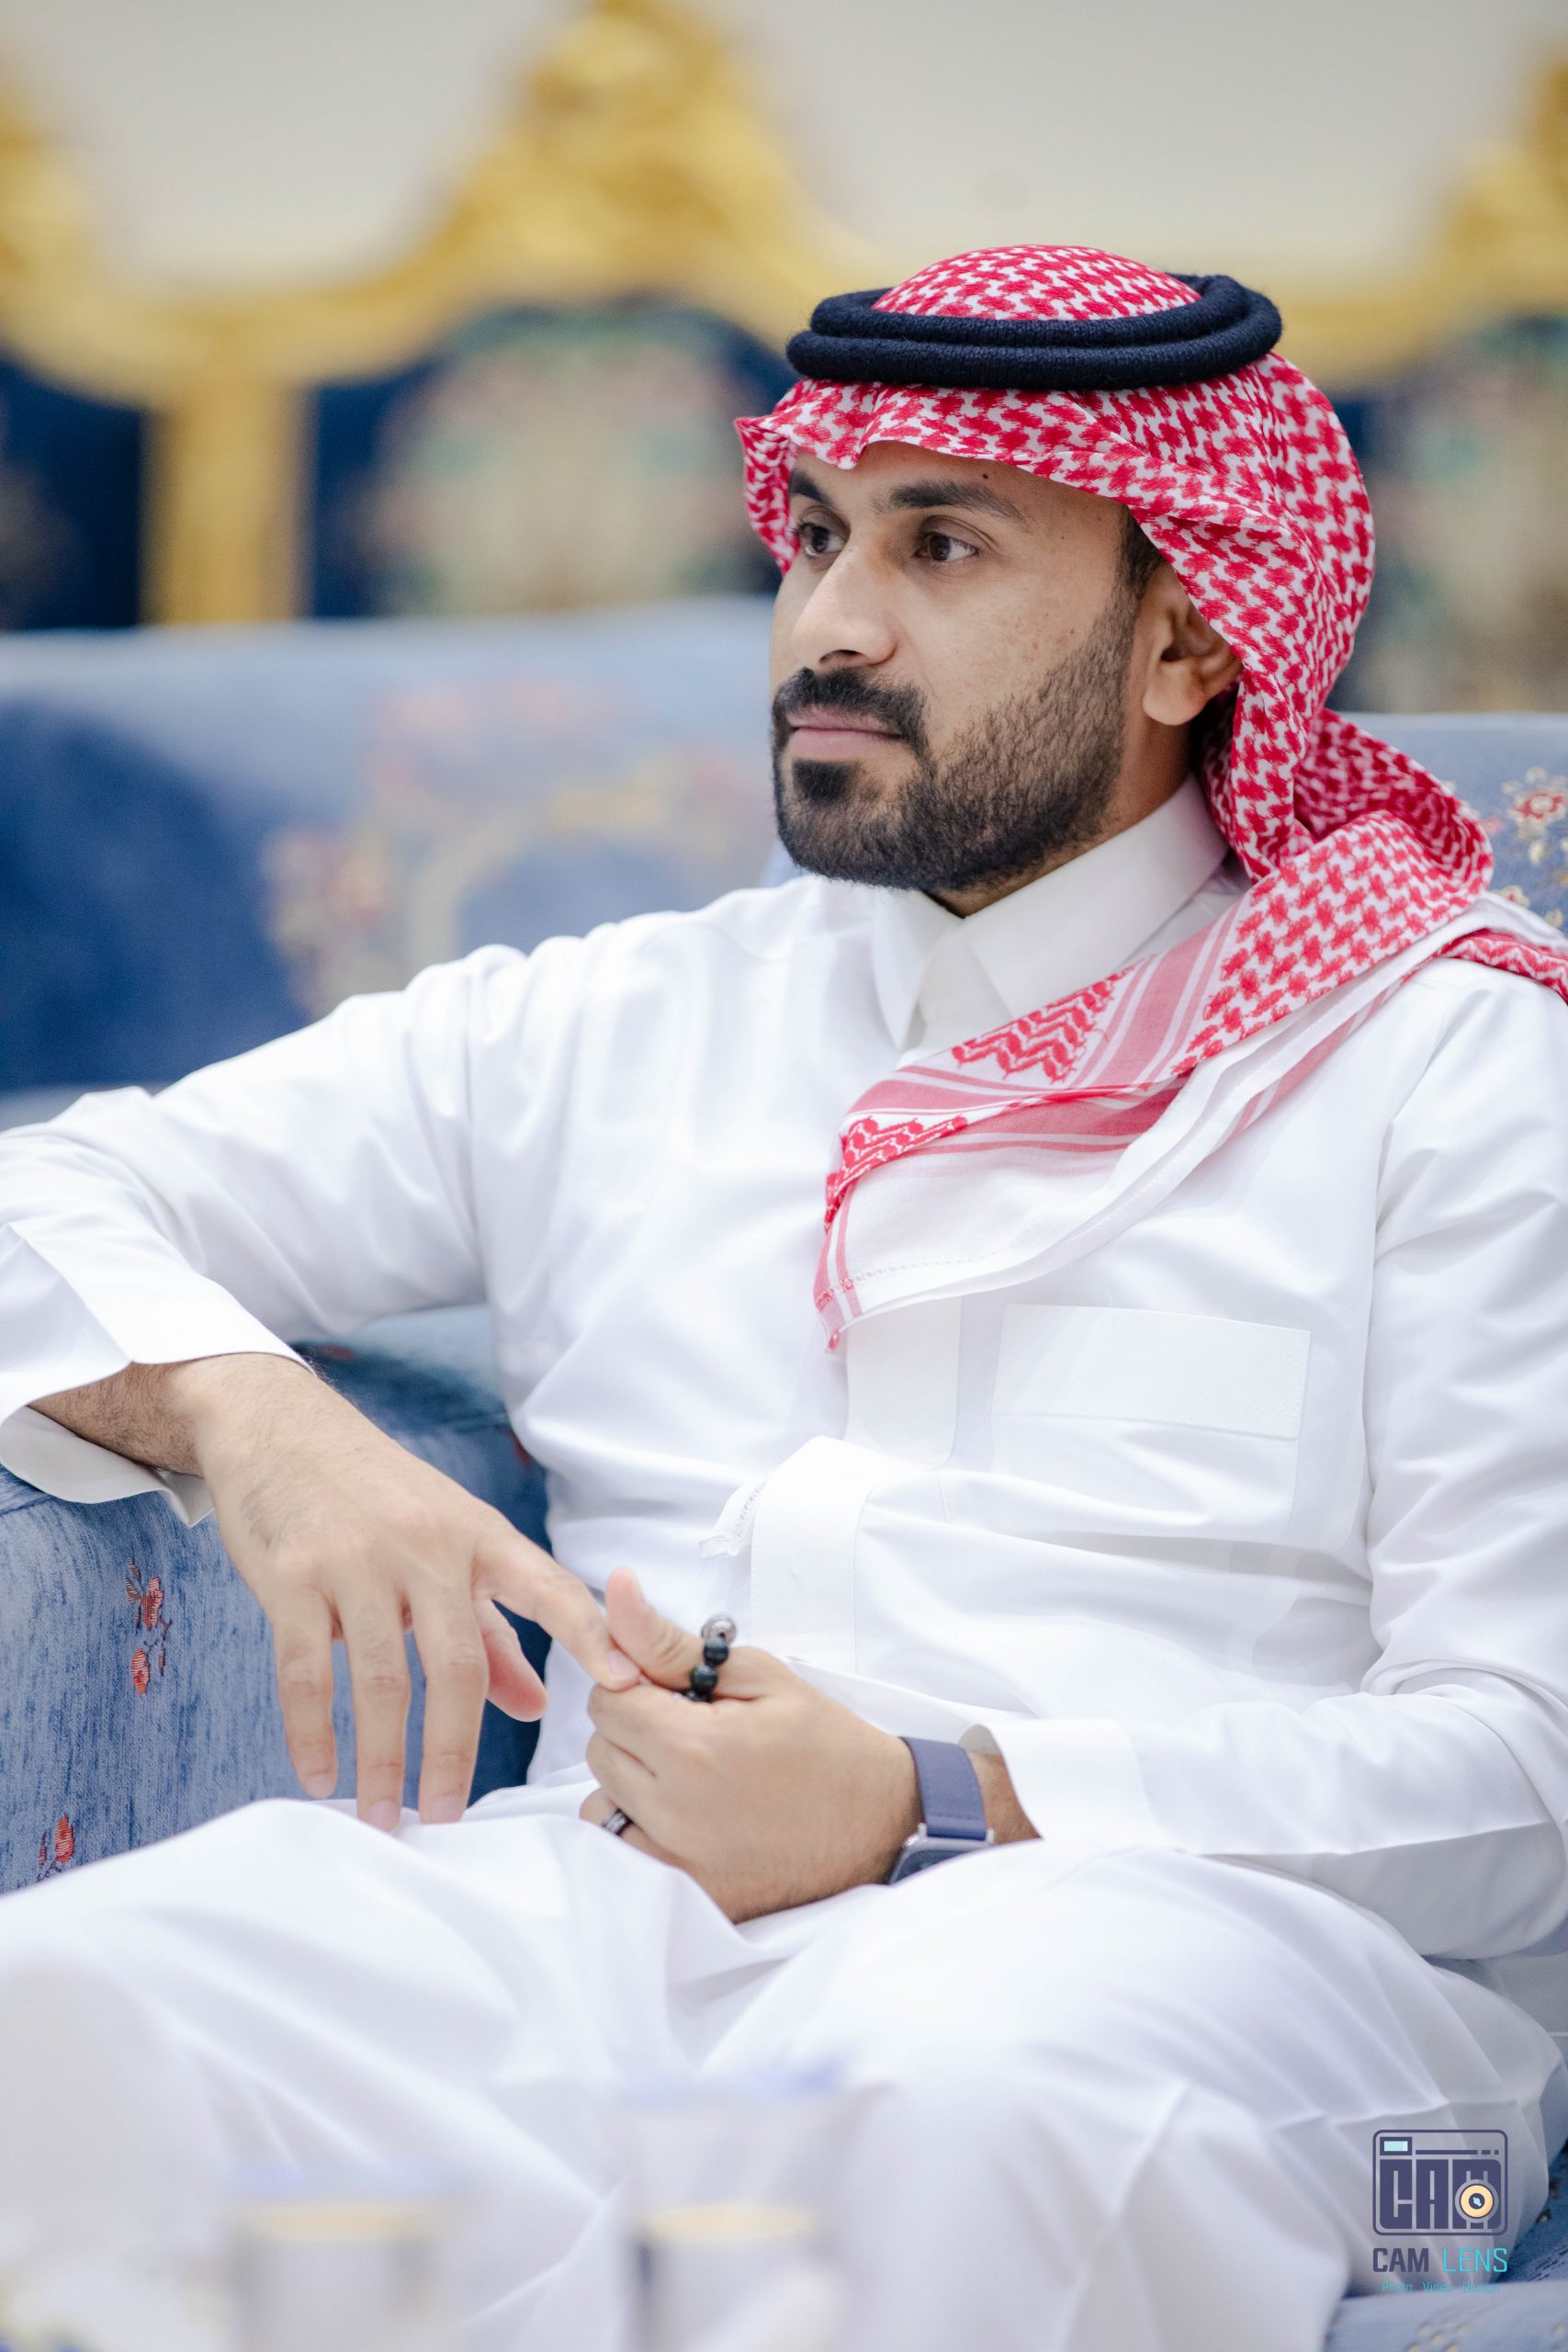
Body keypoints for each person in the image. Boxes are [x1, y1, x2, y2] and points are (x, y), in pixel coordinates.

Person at [2, 243, 1568, 2352]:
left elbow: (1525, 1773)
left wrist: (940, 1792)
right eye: (817, 532)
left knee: (941, 2104)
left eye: (940, 545)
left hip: (1258, 1993)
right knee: (69, 2013)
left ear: (1189, 631)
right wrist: (256, 1422)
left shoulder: (1443, 1065)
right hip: (605, 1913)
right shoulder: (621, 1023)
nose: (829, 621)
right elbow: (51, 1188)